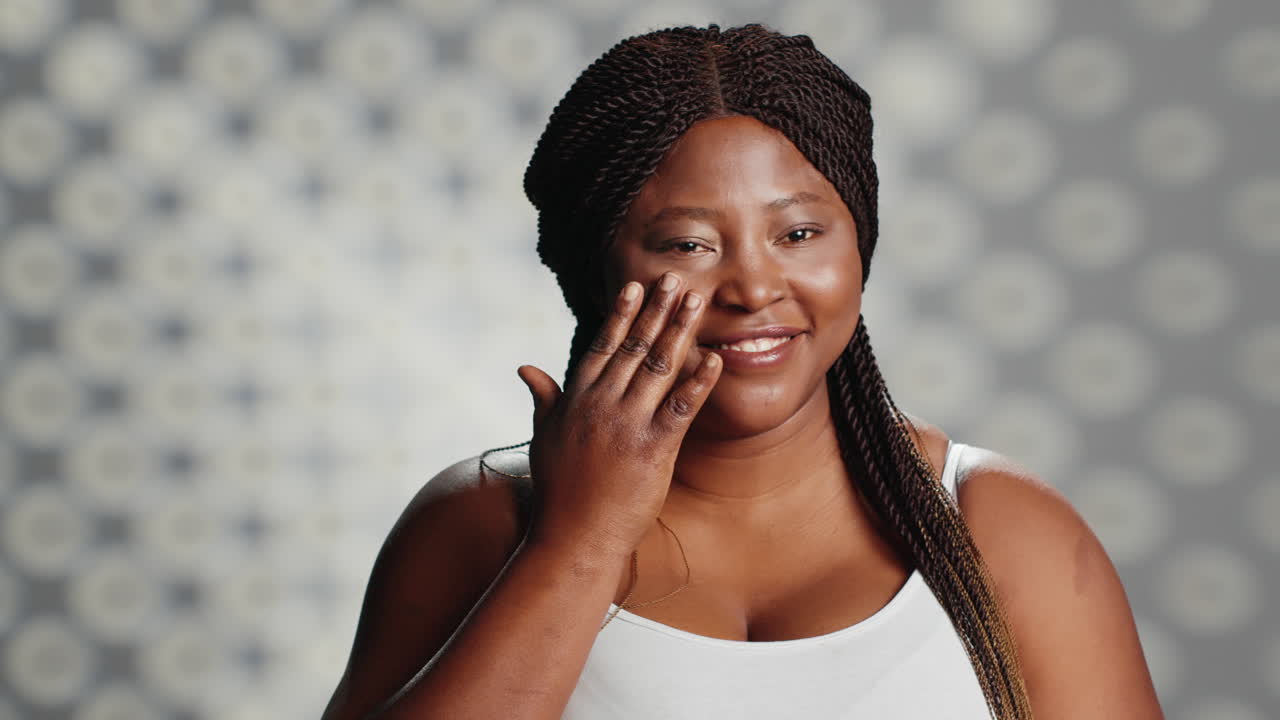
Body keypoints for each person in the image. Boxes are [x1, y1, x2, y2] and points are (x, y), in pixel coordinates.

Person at [321, 23, 1163, 720]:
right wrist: (581, 543)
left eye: (799, 234)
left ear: (859, 245)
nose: (756, 288)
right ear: (594, 271)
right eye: (688, 244)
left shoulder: (1005, 533)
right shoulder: (480, 525)